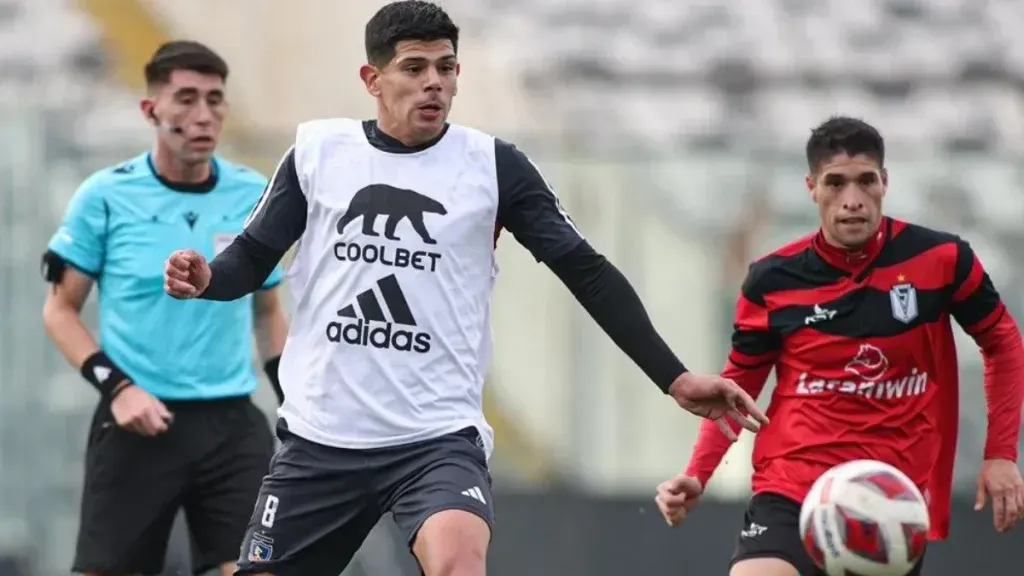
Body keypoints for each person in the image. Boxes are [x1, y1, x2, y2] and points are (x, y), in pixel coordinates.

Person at [163, 2, 768, 575]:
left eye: (447, 68)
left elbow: (586, 271)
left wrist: (675, 377)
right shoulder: (319, 153)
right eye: (415, 68)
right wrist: (206, 280)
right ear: (372, 78)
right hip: (321, 439)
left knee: (457, 559)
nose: (435, 83)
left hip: (435, 439)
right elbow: (250, 257)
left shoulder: (493, 167)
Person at [654, 116, 1024, 576]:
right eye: (836, 183)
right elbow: (735, 387)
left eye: (866, 181)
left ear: (884, 182)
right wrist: (698, 472)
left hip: (887, 496)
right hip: (792, 484)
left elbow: (1003, 341)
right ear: (812, 187)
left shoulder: (942, 261)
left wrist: (1001, 454)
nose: (852, 200)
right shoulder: (772, 280)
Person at [41, 40, 290, 576]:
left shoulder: (254, 195)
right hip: (136, 424)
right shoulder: (104, 197)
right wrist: (119, 388)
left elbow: (268, 312)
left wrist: (293, 401)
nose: (204, 114)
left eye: (216, 99)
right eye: (186, 98)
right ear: (151, 110)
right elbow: (60, 312)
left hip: (231, 427)